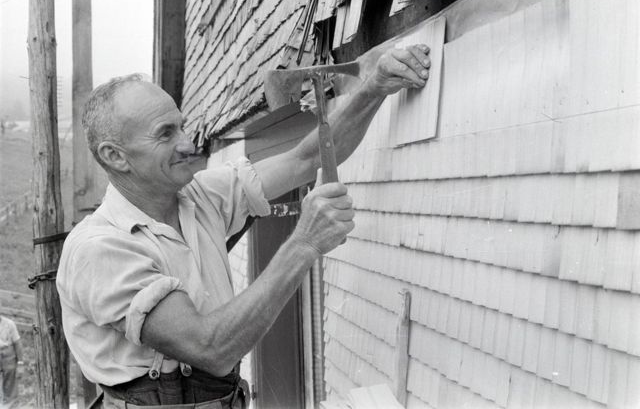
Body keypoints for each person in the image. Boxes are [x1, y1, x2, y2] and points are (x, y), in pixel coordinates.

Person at [56, 44, 431, 408]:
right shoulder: (99, 248)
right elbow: (211, 349)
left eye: (182, 127)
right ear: (115, 156)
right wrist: (304, 243)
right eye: (165, 134)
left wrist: (374, 87)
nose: (188, 144)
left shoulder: (198, 195)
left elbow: (307, 158)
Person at [0, 315, 23, 408]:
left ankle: (9, 404)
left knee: (10, 385)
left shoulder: (9, 324)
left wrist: (20, 363)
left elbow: (17, 343)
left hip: (8, 356)